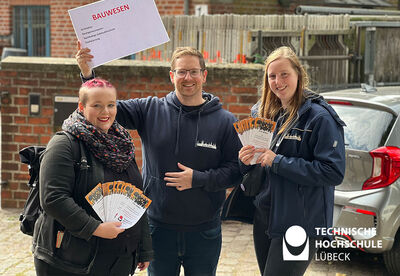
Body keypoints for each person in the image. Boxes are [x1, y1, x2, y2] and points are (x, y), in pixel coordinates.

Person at [76, 44, 242, 276]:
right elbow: (105, 108)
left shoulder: (225, 121)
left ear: (204, 76)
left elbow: (236, 171)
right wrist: (87, 75)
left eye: (194, 71)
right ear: (171, 76)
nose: (188, 77)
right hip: (158, 228)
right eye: (181, 71)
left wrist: (198, 179)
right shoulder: (150, 110)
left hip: (204, 231)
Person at [238, 46, 345, 276]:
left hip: (300, 223)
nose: (278, 81)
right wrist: (245, 161)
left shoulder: (320, 117)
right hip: (265, 216)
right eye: (272, 76)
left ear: (299, 74)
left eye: (284, 74)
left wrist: (278, 162)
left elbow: (333, 172)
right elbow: (258, 168)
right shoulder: (263, 113)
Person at [33, 78, 153, 276]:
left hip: (118, 259)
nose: (105, 112)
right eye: (97, 105)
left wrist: (143, 248)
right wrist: (95, 228)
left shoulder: (122, 145)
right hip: (70, 261)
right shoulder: (64, 144)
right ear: (82, 107)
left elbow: (135, 199)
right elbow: (53, 198)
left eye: (110, 105)